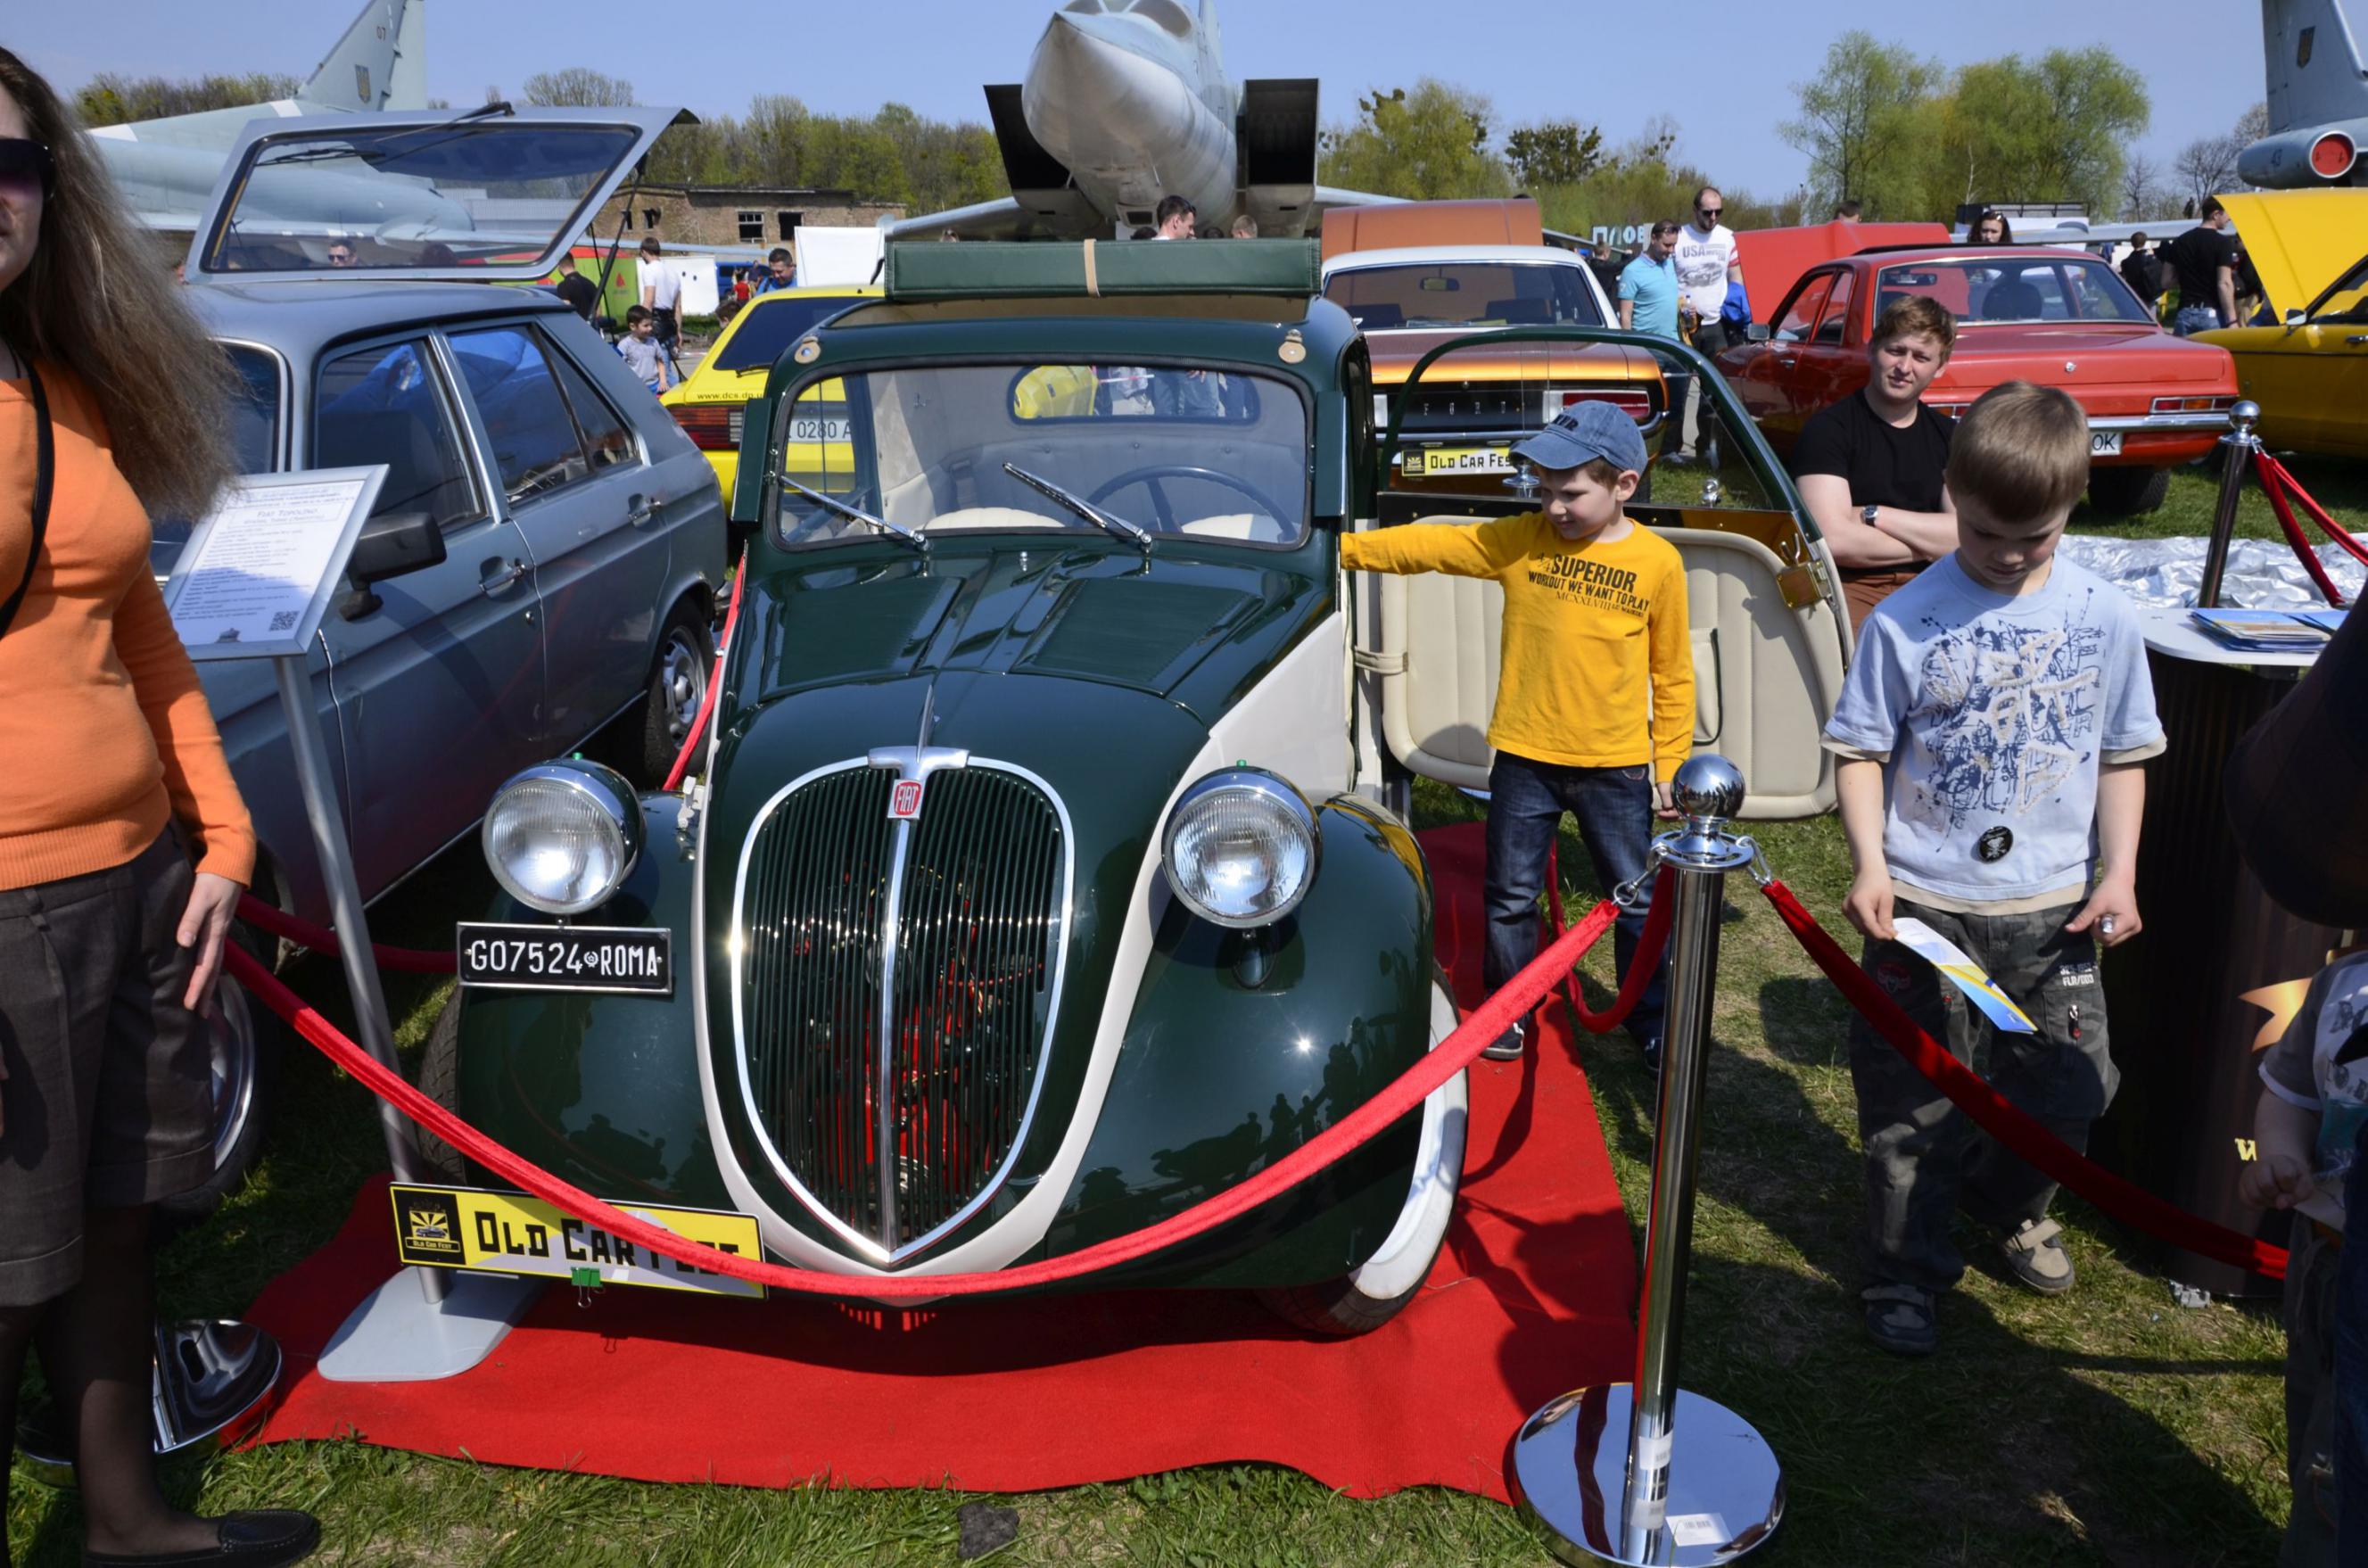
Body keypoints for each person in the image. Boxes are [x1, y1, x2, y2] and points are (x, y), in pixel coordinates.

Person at [0, 47, 321, 1568]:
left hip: (134, 876)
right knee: (11, 1262)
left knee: (122, 1213)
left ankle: (124, 1520)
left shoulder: (60, 381)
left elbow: (143, 634)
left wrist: (224, 834)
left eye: (12, 163)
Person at [1823, 381, 2163, 1358]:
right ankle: (1905, 1268)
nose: (2007, 555)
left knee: (2067, 1090)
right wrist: (1870, 863)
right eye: (1982, 533)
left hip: (2051, 918)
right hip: (1926, 916)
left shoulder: (2105, 615)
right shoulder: (1906, 618)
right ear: (1950, 492)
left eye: (2034, 538)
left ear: (2074, 504)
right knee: (1911, 1105)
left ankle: (2007, 1200)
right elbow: (1860, 752)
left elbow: (2124, 755)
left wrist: (2120, 872)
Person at [1337, 401, 1692, 1068]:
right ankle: (1508, 1009)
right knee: (1509, 894)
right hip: (1525, 759)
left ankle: (1649, 1017)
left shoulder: (1658, 563)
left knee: (1635, 899)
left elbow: (1672, 674)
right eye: (1544, 490)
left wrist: (1669, 762)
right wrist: (1339, 550)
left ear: (1624, 484)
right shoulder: (1521, 539)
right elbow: (1432, 548)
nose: (1554, 507)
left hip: (1615, 766)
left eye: (1571, 493)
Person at [2241, 948, 2365, 1566]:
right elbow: (2291, 1092)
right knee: (2311, 1415)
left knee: (2337, 1473)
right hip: (2322, 1256)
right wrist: (2280, 1152)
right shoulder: (2343, 980)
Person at [1790, 295, 1961, 629]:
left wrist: (1873, 515)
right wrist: (1932, 541)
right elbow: (1834, 541)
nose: (1904, 367)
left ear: (1940, 367)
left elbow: (1967, 534)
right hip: (1853, 586)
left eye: (1921, 357)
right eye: (1895, 351)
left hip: (1936, 583)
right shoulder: (1828, 430)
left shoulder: (1951, 436)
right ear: (1873, 349)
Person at [1673, 186, 1742, 355]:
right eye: (1707, 212)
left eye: (1718, 212)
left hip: (1717, 324)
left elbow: (1735, 275)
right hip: (1682, 324)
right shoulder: (1678, 237)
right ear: (1695, 211)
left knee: (1717, 371)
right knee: (1681, 371)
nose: (1713, 217)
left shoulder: (1728, 238)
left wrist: (1734, 306)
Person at [2160, 200, 2240, 334]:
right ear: (2216, 214)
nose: (2229, 218)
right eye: (2227, 214)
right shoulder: (2223, 243)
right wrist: (2232, 320)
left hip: (2184, 313)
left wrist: (2187, 274)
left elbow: (2166, 281)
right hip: (2211, 314)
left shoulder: (2180, 241)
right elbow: (2224, 283)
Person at [1617, 220, 1683, 340]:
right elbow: (1625, 316)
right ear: (1653, 239)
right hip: (1645, 345)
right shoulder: (1632, 271)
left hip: (1672, 344)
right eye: (1667, 245)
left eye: (1674, 245)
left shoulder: (1669, 264)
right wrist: (1629, 346)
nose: (1671, 250)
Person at [637, 235, 682, 357]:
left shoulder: (649, 269)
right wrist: (678, 331)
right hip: (671, 325)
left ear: (644, 252)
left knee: (659, 364)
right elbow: (678, 307)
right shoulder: (673, 273)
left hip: (657, 324)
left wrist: (642, 325)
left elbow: (649, 300)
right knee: (666, 361)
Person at [616, 305, 668, 393]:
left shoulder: (653, 342)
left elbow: (660, 362)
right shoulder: (625, 345)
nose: (650, 328)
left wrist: (663, 381)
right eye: (646, 325)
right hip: (636, 388)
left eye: (651, 325)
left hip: (655, 386)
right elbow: (616, 365)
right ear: (633, 326)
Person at [2118, 234, 2162, 307]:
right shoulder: (2150, 259)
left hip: (2133, 294)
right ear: (2144, 242)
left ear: (2132, 243)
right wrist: (2152, 257)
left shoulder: (2125, 262)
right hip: (2148, 294)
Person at [551, 254, 598, 320]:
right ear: (574, 264)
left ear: (558, 267)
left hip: (576, 325)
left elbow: (566, 313)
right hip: (590, 325)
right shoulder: (590, 283)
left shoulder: (563, 286)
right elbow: (598, 313)